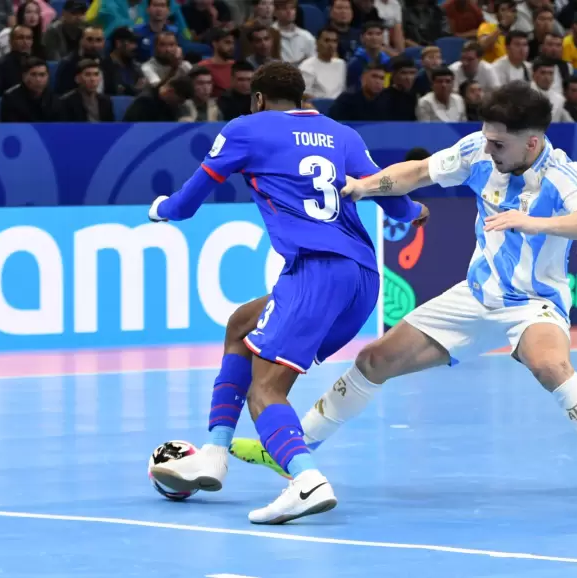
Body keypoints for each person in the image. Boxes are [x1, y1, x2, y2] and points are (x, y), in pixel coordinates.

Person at [231, 80, 577, 519]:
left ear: (531, 142)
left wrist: (535, 223)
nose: (489, 149)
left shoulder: (562, 173)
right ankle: (292, 445)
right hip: (474, 296)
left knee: (550, 364)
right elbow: (417, 172)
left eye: (499, 143)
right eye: (487, 138)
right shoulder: (478, 149)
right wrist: (366, 186)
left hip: (534, 302)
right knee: (374, 359)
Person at [145, 61, 429, 525]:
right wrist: (414, 208)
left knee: (266, 391)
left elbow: (189, 200)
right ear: (301, 98)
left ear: (257, 99)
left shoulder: (246, 129)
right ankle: (215, 453)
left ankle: (305, 480)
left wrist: (161, 210)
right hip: (361, 277)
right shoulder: (341, 134)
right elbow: (391, 196)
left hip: (314, 271)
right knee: (242, 323)